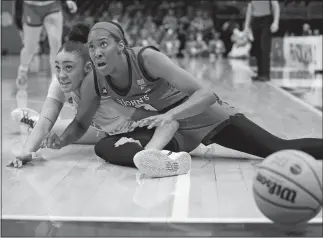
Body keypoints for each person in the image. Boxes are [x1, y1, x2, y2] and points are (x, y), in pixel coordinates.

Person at [44, 21, 322, 174]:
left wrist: (171, 115)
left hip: (202, 115)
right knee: (104, 148)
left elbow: (206, 94)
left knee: (275, 150)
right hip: (168, 129)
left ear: (121, 46)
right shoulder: (96, 79)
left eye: (103, 44)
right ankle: (169, 163)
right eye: (92, 47)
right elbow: (81, 124)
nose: (96, 52)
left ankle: (157, 154)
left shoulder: (146, 58)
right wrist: (61, 139)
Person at [8, 24, 193, 178]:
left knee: (102, 145)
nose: (62, 74)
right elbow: (50, 121)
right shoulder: (63, 81)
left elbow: (164, 121)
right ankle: (33, 121)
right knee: (68, 131)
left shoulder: (108, 88)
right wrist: (27, 151)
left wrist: (153, 145)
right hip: (105, 129)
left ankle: (159, 157)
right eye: (59, 67)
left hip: (132, 131)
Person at [14, 0, 78, 88]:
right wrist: (17, 14)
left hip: (52, 6)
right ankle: (23, 69)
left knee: (56, 42)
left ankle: (56, 79)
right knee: (30, 48)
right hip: (31, 7)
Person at [244, 0, 280, 81]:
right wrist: (246, 25)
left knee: (265, 47)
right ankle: (260, 73)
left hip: (266, 20)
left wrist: (276, 22)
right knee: (257, 48)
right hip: (255, 20)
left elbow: (276, 5)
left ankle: (265, 74)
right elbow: (250, 9)